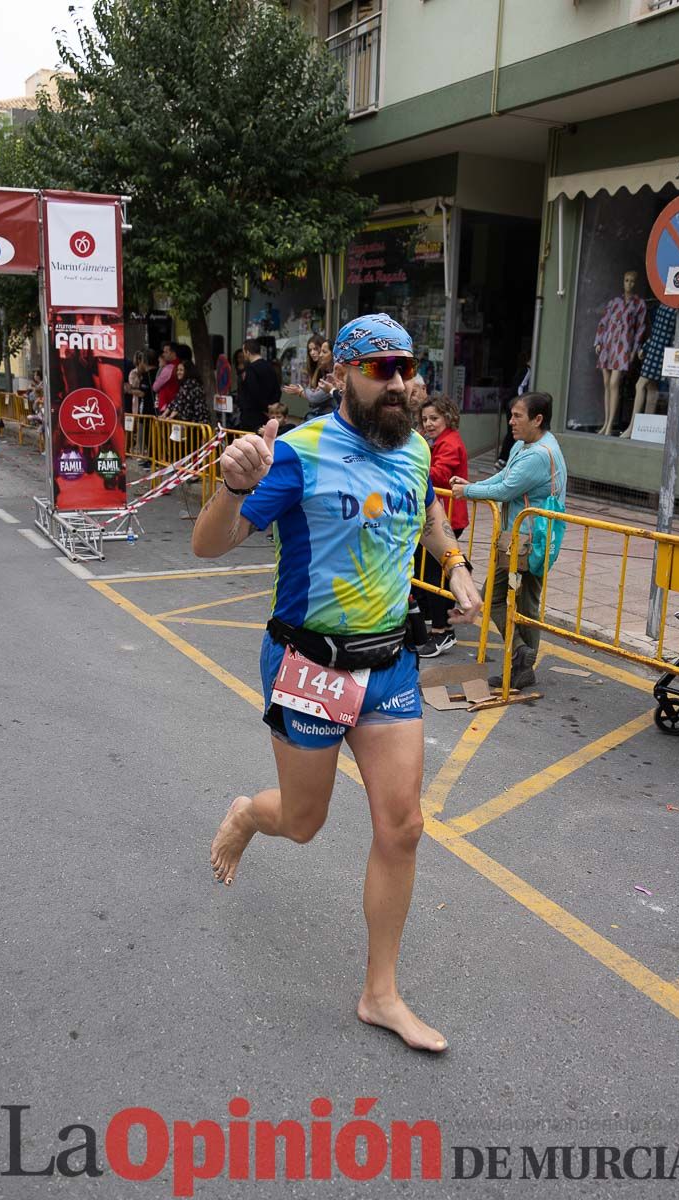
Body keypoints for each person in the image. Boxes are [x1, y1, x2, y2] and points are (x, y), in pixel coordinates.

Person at [193, 313, 482, 1053]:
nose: (399, 382)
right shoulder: (299, 452)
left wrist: (454, 566)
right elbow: (209, 545)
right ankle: (249, 817)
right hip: (310, 667)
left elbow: (429, 517)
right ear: (340, 375)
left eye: (407, 368)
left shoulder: (414, 449)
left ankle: (380, 994)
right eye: (380, 369)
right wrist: (230, 487)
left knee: (405, 826)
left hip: (388, 667)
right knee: (303, 821)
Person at [451, 392, 567, 690]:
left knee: (518, 601)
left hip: (531, 540)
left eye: (518, 416)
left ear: (538, 419)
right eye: (511, 414)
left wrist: (468, 493)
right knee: (506, 598)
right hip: (517, 538)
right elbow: (504, 476)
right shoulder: (524, 446)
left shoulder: (539, 454)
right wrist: (474, 485)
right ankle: (521, 656)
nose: (511, 421)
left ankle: (520, 661)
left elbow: (506, 489)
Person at [415, 396, 469, 656]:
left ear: (448, 417)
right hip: (435, 517)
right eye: (425, 419)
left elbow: (437, 475)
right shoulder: (434, 441)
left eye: (434, 418)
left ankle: (442, 631)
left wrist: (411, 465)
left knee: (435, 577)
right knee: (426, 573)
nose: (429, 423)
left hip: (447, 519)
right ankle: (433, 623)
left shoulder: (450, 442)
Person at [238, 338, 280, 431]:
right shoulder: (270, 367)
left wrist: (265, 407)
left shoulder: (250, 369)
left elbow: (253, 392)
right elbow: (277, 390)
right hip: (268, 416)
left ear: (247, 352)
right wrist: (271, 407)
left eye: (244, 352)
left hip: (252, 416)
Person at [168, 360, 210, 425]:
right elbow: (176, 400)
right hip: (194, 422)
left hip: (197, 422)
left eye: (181, 370)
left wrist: (170, 417)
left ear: (187, 371)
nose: (178, 372)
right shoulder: (186, 383)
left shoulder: (190, 383)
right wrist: (165, 414)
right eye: (177, 370)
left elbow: (180, 402)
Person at [152, 342, 180, 414]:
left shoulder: (168, 368)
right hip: (174, 405)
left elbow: (155, 387)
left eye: (166, 352)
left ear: (173, 353)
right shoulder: (179, 365)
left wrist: (161, 367)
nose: (163, 355)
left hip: (166, 405)